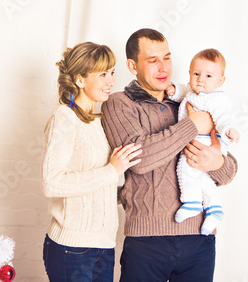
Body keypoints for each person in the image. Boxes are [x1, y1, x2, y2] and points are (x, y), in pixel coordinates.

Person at [100, 29, 238, 282]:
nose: (163, 68)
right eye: (152, 61)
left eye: (167, 58)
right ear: (132, 66)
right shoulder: (119, 104)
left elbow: (228, 172)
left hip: (200, 239)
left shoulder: (192, 101)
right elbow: (138, 161)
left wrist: (216, 162)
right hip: (146, 242)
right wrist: (193, 126)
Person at [42, 42, 142, 282]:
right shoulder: (64, 118)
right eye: (102, 74)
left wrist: (128, 193)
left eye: (112, 73)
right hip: (72, 249)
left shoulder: (99, 121)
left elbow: (95, 186)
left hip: (104, 245)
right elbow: (52, 183)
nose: (110, 81)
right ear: (79, 79)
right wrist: (112, 170)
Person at [166, 48, 240, 235]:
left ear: (220, 81)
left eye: (208, 76)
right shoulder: (193, 92)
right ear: (190, 74)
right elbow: (183, 90)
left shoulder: (217, 99)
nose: (201, 79)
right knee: (202, 178)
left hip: (207, 143)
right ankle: (215, 209)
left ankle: (191, 202)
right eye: (196, 74)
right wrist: (174, 91)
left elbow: (224, 117)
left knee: (185, 166)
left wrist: (228, 129)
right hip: (196, 140)